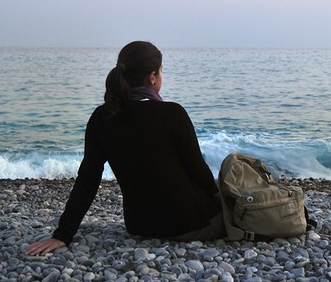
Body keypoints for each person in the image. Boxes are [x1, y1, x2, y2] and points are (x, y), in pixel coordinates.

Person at [26, 41, 224, 255]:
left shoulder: (102, 118)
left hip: (140, 225)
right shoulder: (173, 114)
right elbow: (199, 172)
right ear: (152, 76)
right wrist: (222, 199)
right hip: (190, 224)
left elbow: (88, 179)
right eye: (161, 71)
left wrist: (63, 234)